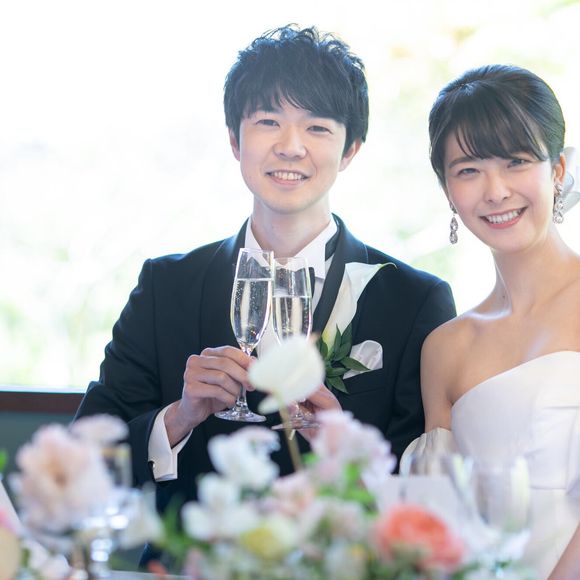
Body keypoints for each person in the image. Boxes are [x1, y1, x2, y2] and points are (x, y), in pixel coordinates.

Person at [75, 25, 455, 524]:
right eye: (268, 121)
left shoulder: (414, 301)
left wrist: (342, 449)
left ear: (351, 149)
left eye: (317, 127)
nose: (291, 146)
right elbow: (83, 465)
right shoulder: (166, 287)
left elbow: (424, 502)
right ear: (235, 140)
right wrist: (180, 417)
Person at [414, 64, 580, 579]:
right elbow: (436, 524)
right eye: (468, 170)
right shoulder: (446, 348)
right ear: (447, 190)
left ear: (557, 169)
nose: (496, 191)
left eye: (516, 161)